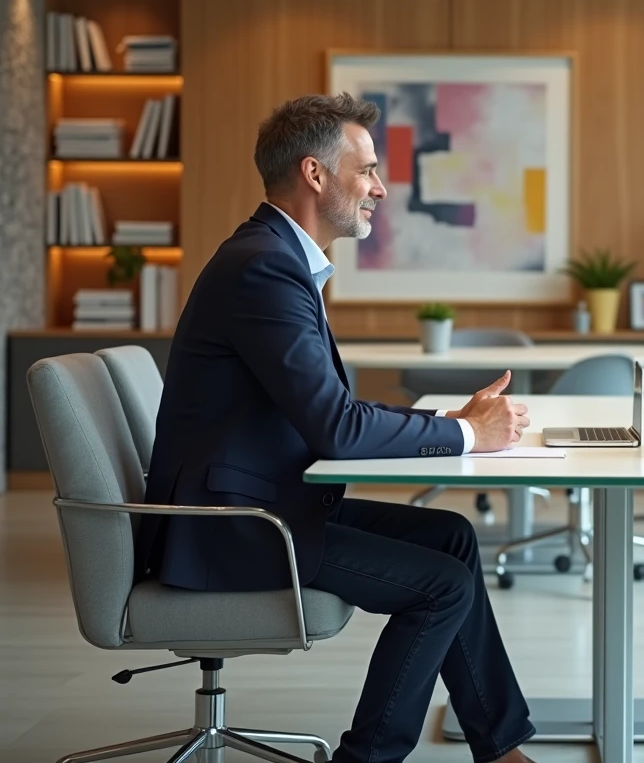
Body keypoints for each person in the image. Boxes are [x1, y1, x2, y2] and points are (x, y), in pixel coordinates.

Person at [136, 93, 538, 763]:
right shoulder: (264, 269)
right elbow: (337, 430)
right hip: (233, 528)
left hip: (263, 504)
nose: (380, 188)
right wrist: (469, 435)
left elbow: (331, 416)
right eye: (368, 170)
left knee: (453, 537)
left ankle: (500, 749)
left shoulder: (274, 259)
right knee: (445, 585)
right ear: (315, 175)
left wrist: (454, 423)